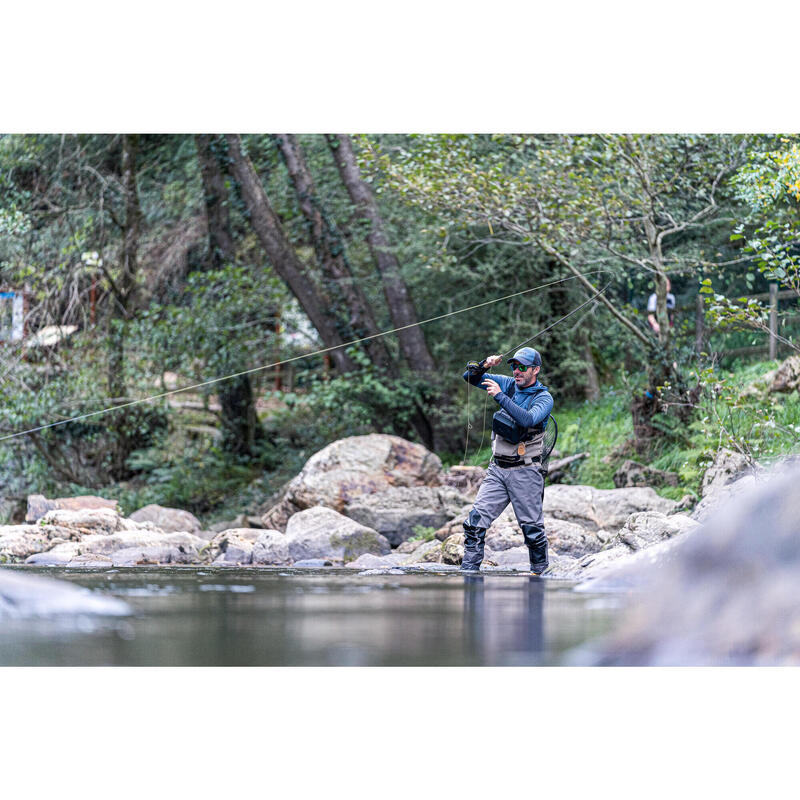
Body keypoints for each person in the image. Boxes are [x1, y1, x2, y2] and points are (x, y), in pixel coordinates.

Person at [461, 346, 554, 574]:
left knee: (532, 530)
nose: (516, 371)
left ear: (536, 370)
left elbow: (528, 419)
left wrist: (500, 396)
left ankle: (539, 573)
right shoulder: (508, 383)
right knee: (474, 524)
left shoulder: (543, 398)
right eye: (514, 366)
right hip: (497, 470)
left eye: (522, 367)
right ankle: (468, 574)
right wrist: (484, 365)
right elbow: (470, 378)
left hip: (526, 472)